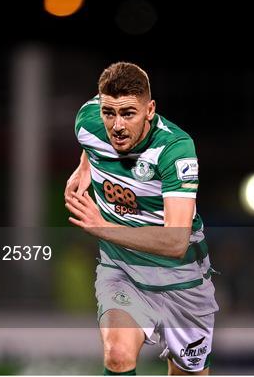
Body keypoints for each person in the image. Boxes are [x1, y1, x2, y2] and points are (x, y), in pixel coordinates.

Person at [65, 62, 219, 375]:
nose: (117, 125)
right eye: (109, 113)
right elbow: (89, 141)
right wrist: (85, 166)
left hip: (182, 278)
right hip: (122, 269)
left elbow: (176, 241)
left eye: (128, 114)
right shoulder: (87, 120)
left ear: (150, 110)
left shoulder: (175, 149)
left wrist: (103, 228)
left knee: (188, 371)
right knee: (118, 355)